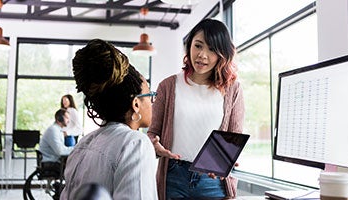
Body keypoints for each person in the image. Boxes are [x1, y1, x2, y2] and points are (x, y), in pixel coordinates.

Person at [147, 18, 245, 200]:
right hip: (173, 176)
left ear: (222, 54)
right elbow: (153, 133)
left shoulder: (233, 89)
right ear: (189, 45)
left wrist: (226, 160)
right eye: (198, 46)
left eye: (212, 49)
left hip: (212, 180)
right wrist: (155, 145)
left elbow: (233, 136)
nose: (202, 55)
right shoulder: (168, 86)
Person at [60, 39, 158, 200]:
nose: (153, 101)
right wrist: (142, 150)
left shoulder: (83, 144)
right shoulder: (136, 143)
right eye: (150, 95)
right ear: (135, 104)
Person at [39, 108, 74, 175]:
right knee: (76, 168)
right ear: (59, 118)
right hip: (50, 163)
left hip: (54, 161)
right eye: (66, 118)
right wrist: (75, 149)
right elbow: (60, 152)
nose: (68, 121)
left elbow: (61, 149)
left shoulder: (58, 130)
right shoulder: (53, 130)